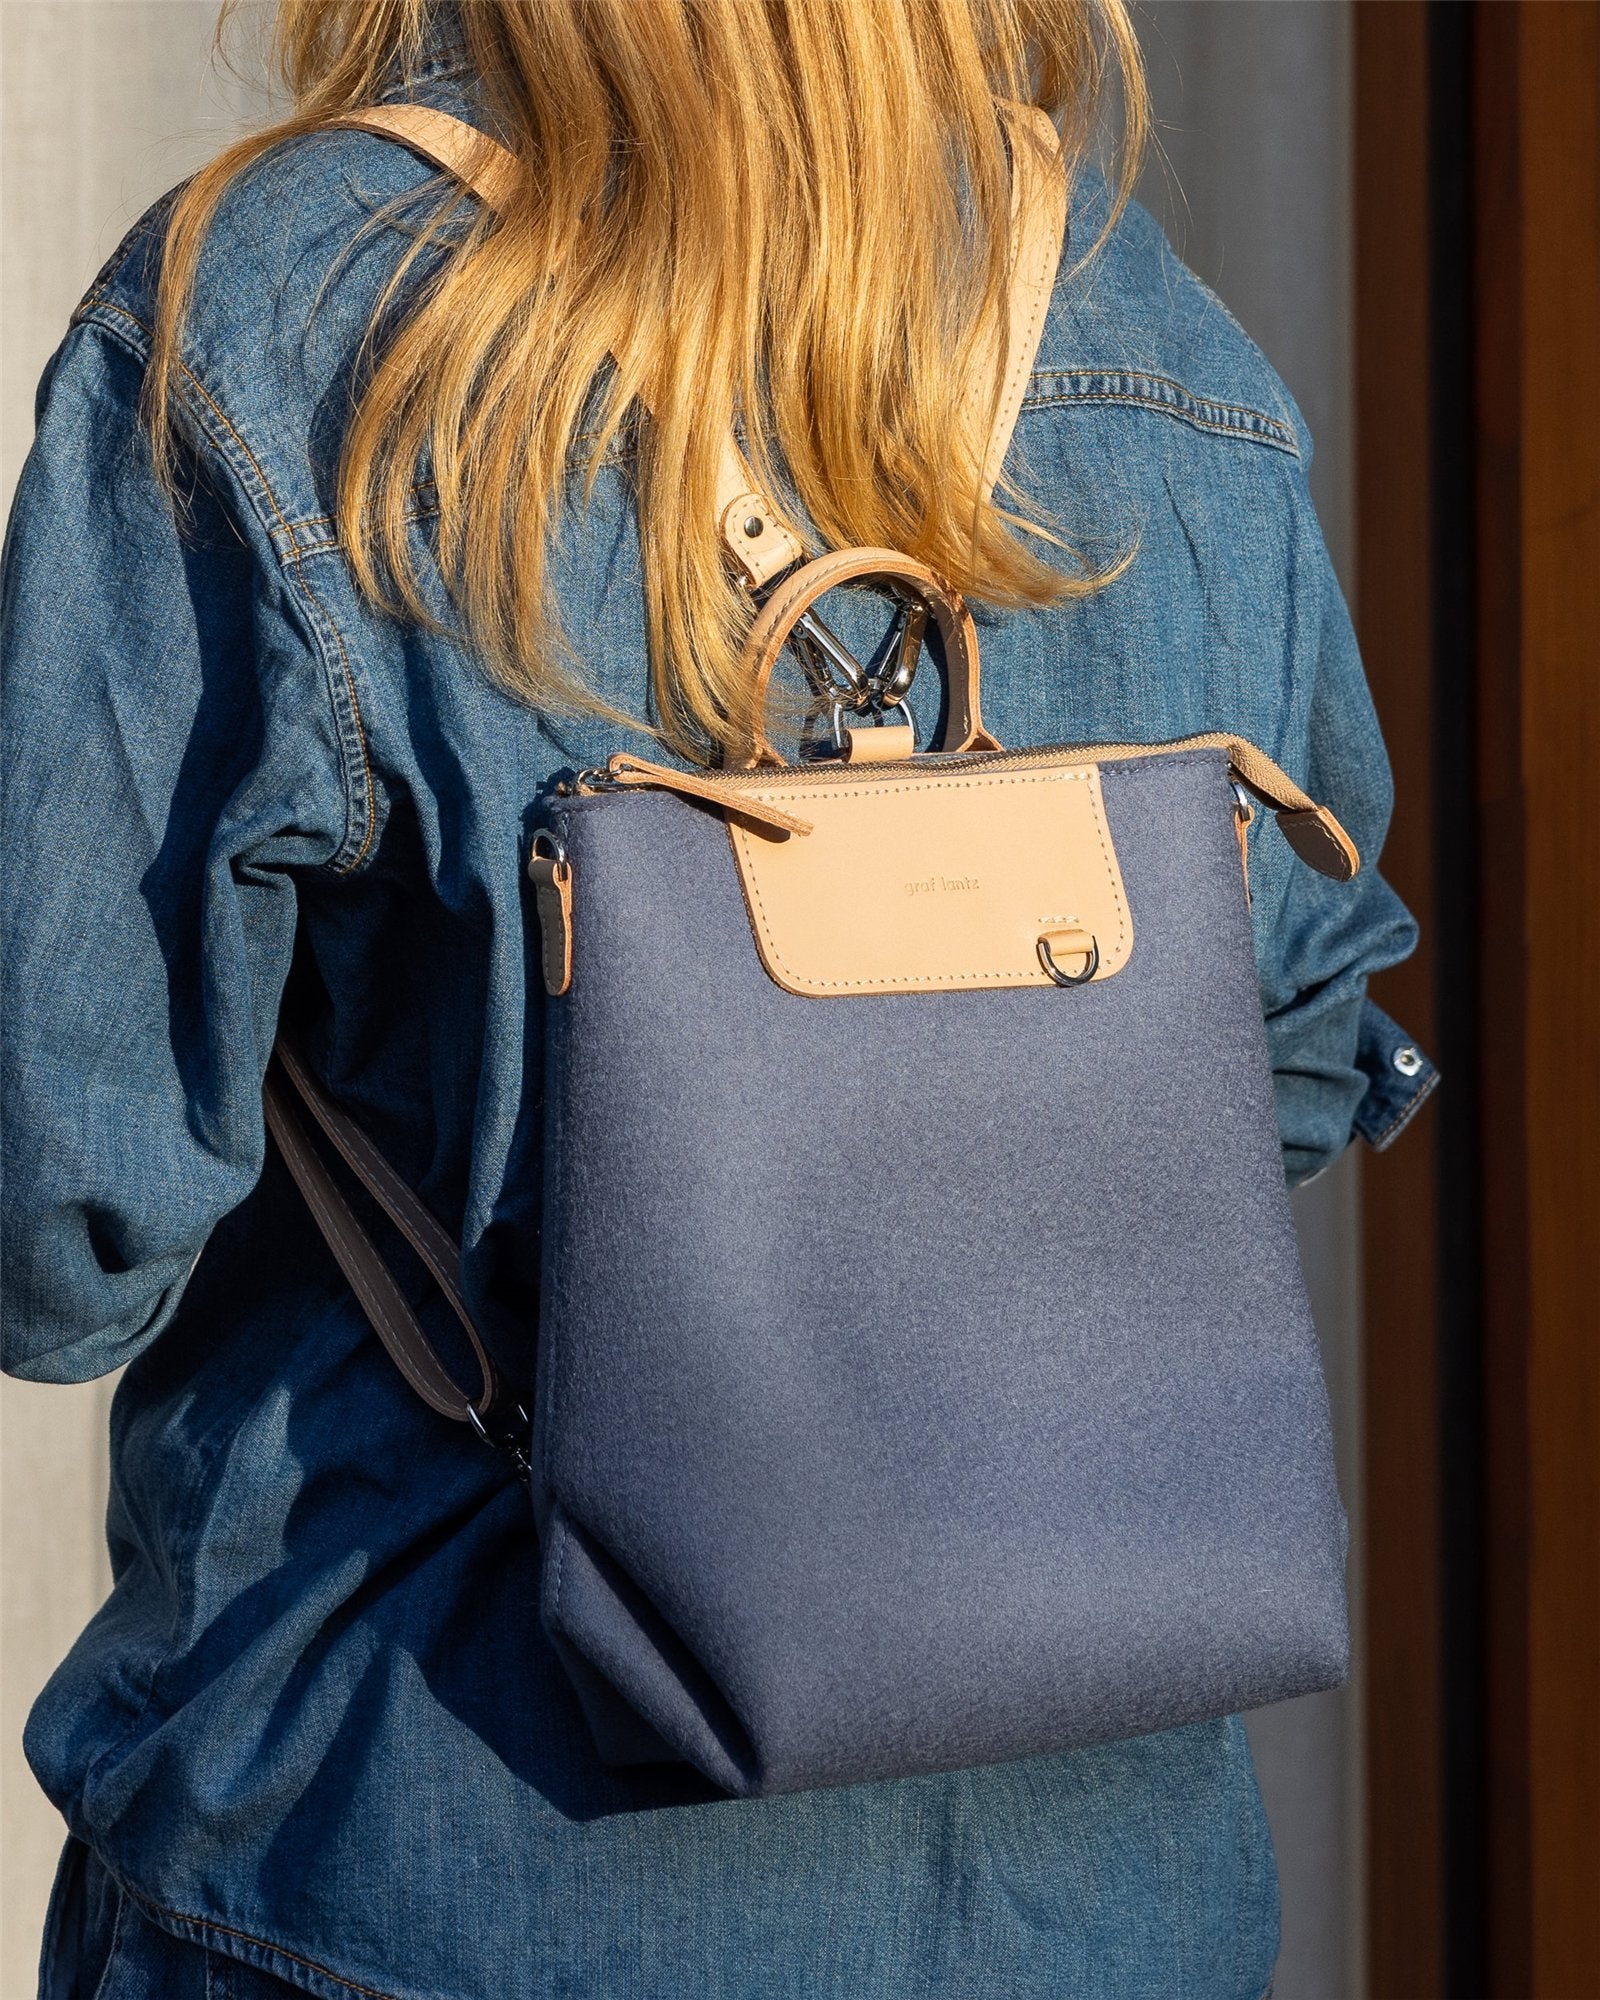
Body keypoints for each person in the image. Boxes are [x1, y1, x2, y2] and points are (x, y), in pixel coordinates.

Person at [1, 3, 1426, 1995]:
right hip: (1097, 1904)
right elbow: (1285, 1047)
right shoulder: (1141, 327)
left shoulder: (268, 322)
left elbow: (59, 1227)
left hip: (410, 1874)